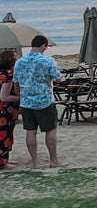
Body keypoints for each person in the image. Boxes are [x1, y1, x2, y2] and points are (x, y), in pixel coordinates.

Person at [13, 35, 62, 169]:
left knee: (30, 131)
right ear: (43, 46)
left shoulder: (19, 62)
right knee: (50, 130)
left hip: (26, 100)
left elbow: (16, 83)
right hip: (44, 99)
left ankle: (35, 162)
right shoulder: (47, 61)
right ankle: (53, 160)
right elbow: (57, 78)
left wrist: (20, 94)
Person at [0, 49, 18, 170]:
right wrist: (21, 97)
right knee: (4, 134)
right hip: (5, 111)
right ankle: (2, 161)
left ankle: (4, 160)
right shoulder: (8, 76)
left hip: (5, 110)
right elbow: (4, 97)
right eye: (15, 56)